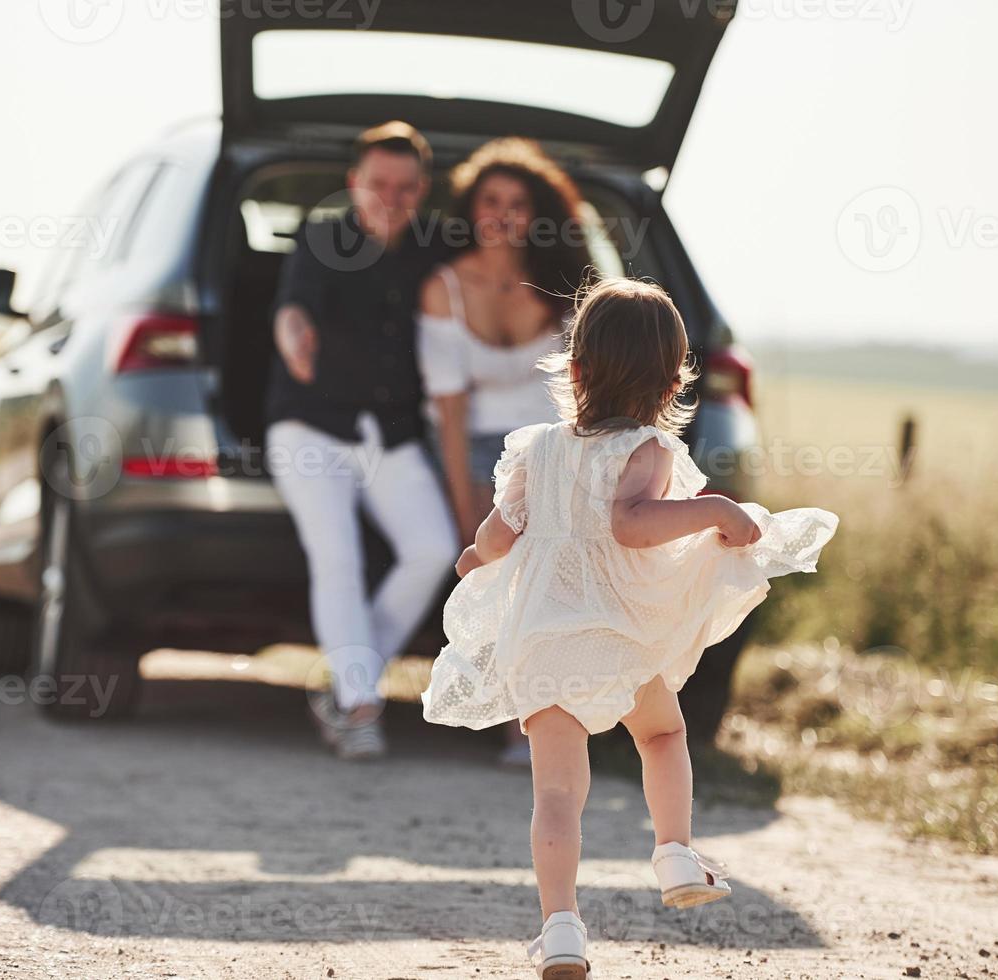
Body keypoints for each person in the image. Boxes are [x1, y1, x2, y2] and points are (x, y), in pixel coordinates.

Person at [420, 278, 838, 977]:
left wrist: (471, 557)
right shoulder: (647, 450)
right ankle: (674, 851)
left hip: (543, 640)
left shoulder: (537, 449)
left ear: (574, 370)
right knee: (662, 733)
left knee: (555, 794)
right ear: (674, 381)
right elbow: (631, 525)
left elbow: (498, 535)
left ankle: (560, 928)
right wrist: (713, 511)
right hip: (616, 635)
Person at [266, 121, 457, 761]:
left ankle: (350, 684)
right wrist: (294, 337)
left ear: (422, 189)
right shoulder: (322, 238)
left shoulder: (436, 250)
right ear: (355, 183)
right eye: (378, 184)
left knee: (434, 548)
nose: (391, 197)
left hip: (393, 433)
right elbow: (293, 308)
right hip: (309, 426)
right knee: (338, 557)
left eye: (406, 187)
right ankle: (359, 705)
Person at [416, 138, 592, 769]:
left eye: (518, 203)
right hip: (478, 451)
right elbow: (449, 411)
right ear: (471, 208)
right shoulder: (444, 288)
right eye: (491, 200)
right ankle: (502, 712)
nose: (503, 213)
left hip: (555, 451)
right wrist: (465, 503)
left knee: (552, 578)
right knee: (500, 575)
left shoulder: (567, 282)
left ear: (538, 212)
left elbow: (587, 387)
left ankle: (539, 720)